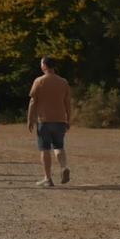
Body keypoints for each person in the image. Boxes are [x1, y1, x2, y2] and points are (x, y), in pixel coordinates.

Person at [27, 55, 72, 187]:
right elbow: (67, 102)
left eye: (41, 63)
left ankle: (48, 178)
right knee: (59, 146)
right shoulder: (63, 82)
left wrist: (30, 118)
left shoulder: (39, 81)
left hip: (44, 120)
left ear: (44, 66)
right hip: (60, 120)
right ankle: (64, 167)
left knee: (45, 149)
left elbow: (33, 101)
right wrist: (68, 118)